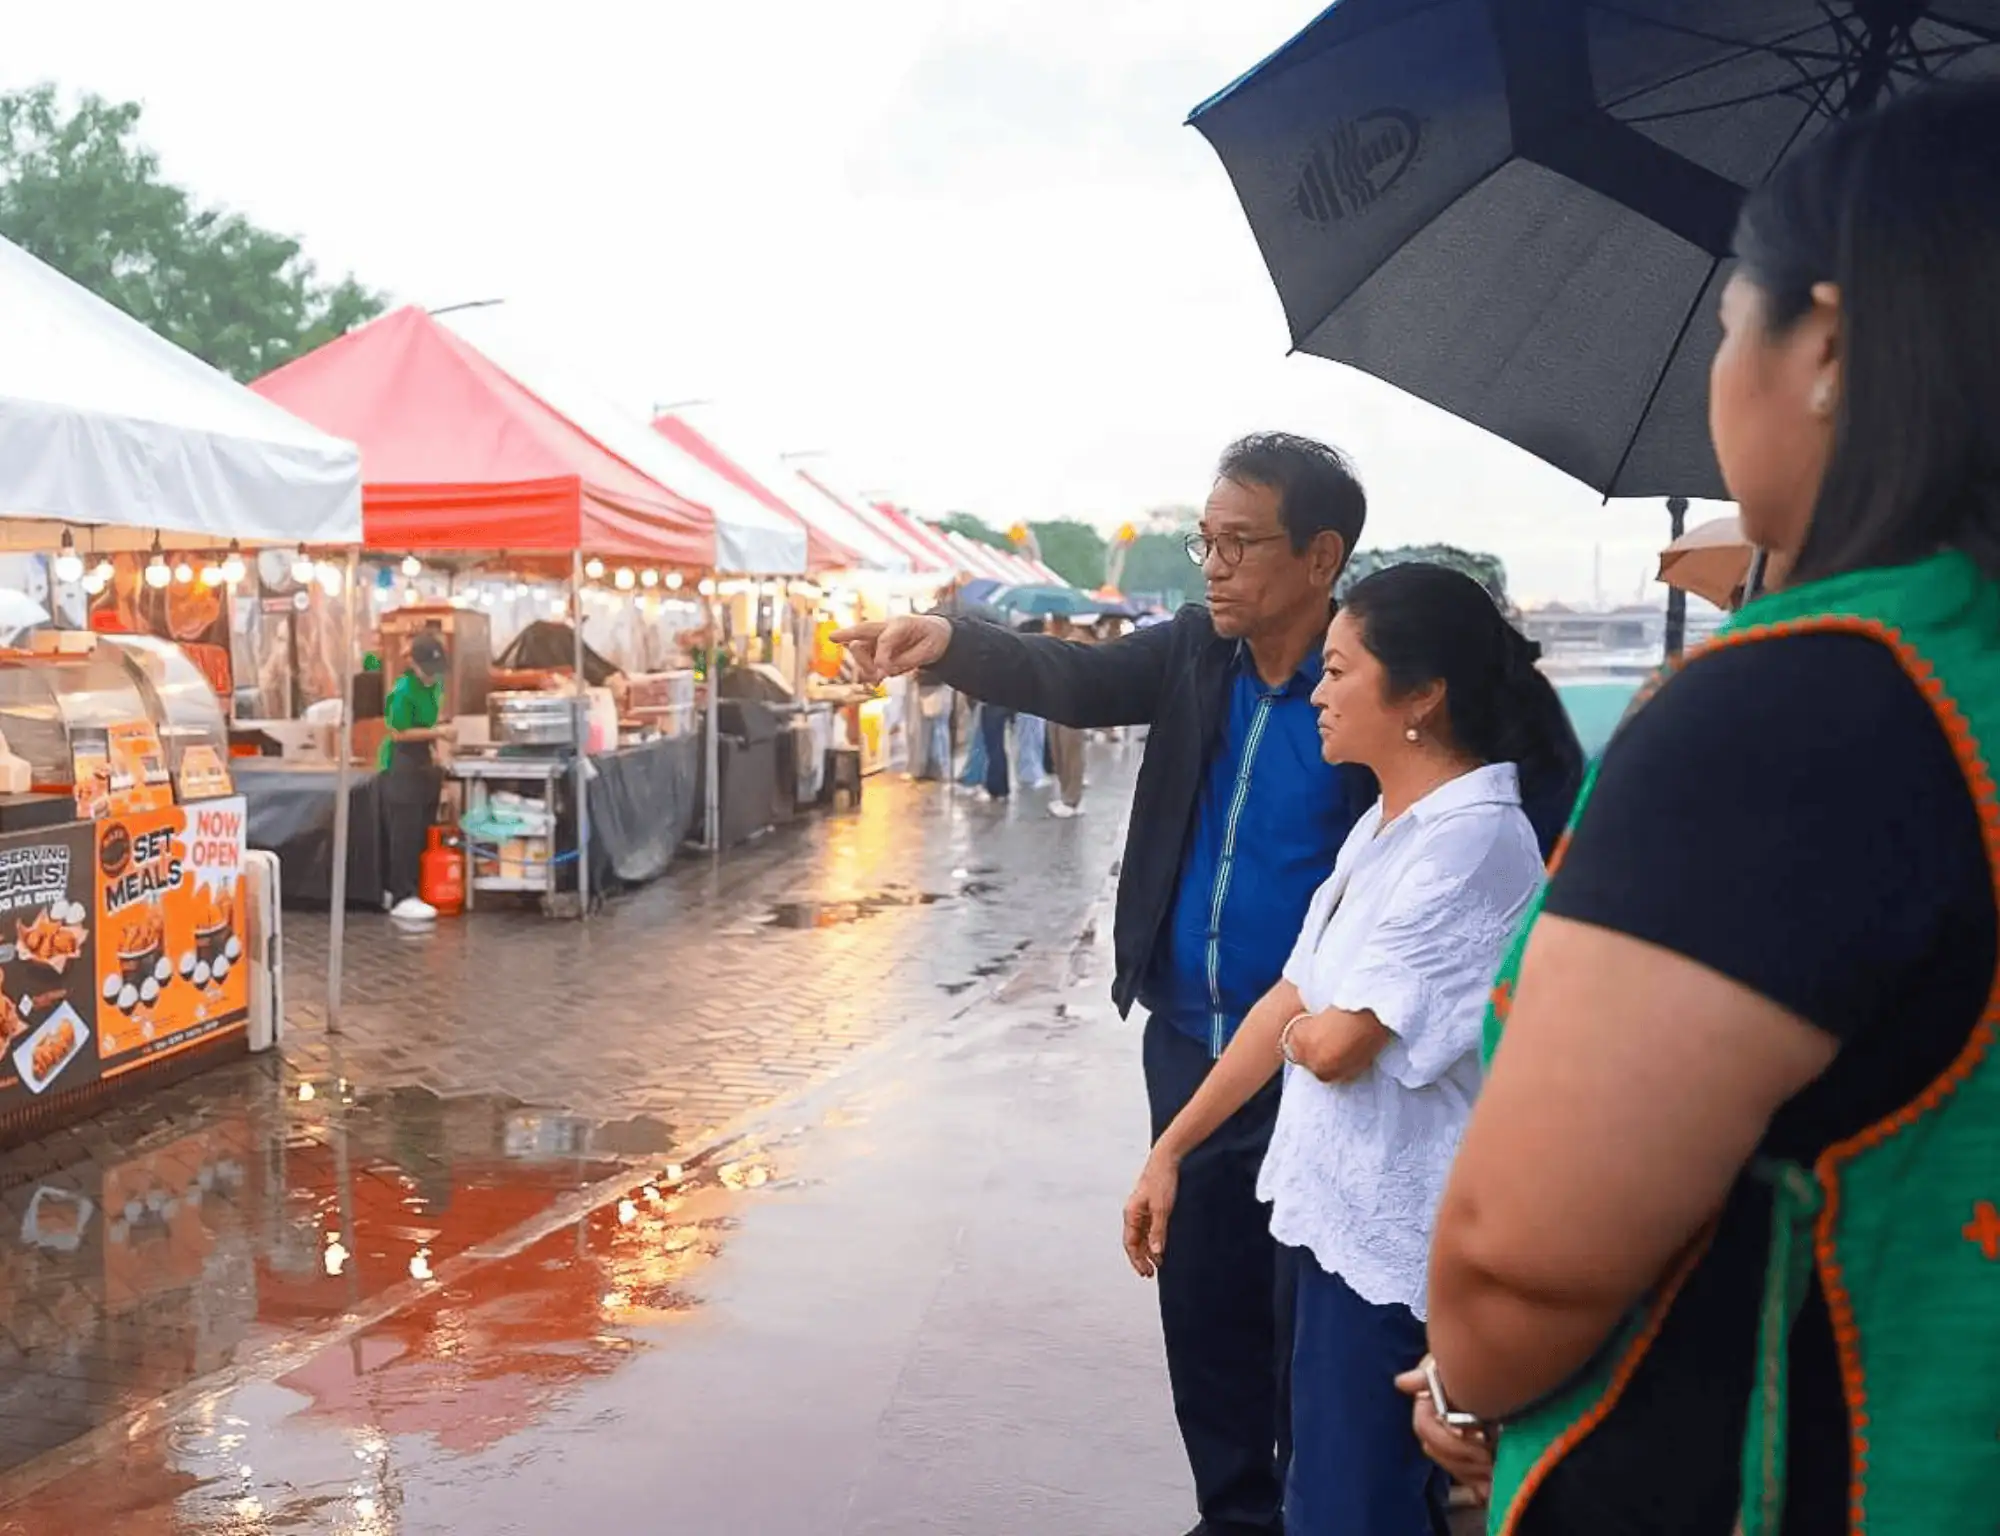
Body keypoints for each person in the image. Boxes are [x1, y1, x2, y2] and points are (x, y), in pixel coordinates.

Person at [1421, 84, 2000, 1535]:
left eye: (1735, 317)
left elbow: (1517, 1264)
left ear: (1830, 349)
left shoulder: (1808, 715)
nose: (1716, 368)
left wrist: (1469, 1387)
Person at [838, 433, 1373, 1536]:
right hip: (1185, 1044)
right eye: (1205, 540)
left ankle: (1311, 1511)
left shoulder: (1367, 677)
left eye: (1240, 543)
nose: (1213, 566)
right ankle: (1233, 1516)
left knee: (1312, 1318)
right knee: (1202, 1307)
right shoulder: (1194, 654)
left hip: (1320, 1065)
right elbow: (1074, 679)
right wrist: (948, 640)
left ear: (1320, 556)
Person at [1123, 564, 1581, 1536]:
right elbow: (1294, 1001)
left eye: (1337, 672)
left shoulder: (1473, 842)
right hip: (1328, 1218)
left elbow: (1336, 1045)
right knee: (1326, 1493)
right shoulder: (1385, 825)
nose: (1317, 695)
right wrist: (1172, 1149)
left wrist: (1312, 1027)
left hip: (1391, 1248)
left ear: (1420, 697)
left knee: (1352, 1507)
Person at [380, 629, 450, 923]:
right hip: (401, 763)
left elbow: (431, 722)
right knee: (404, 832)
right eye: (427, 670)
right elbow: (398, 732)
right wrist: (439, 732)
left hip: (424, 760)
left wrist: (438, 750)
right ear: (414, 664)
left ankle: (420, 888)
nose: (432, 676)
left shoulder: (435, 687)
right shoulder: (403, 690)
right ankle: (401, 895)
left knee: (424, 828)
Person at [1045, 616, 1087, 818]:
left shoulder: (1078, 640)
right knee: (1058, 753)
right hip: (1054, 704)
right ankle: (1065, 795)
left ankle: (1072, 799)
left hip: (1072, 705)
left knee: (1071, 753)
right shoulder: (1054, 639)